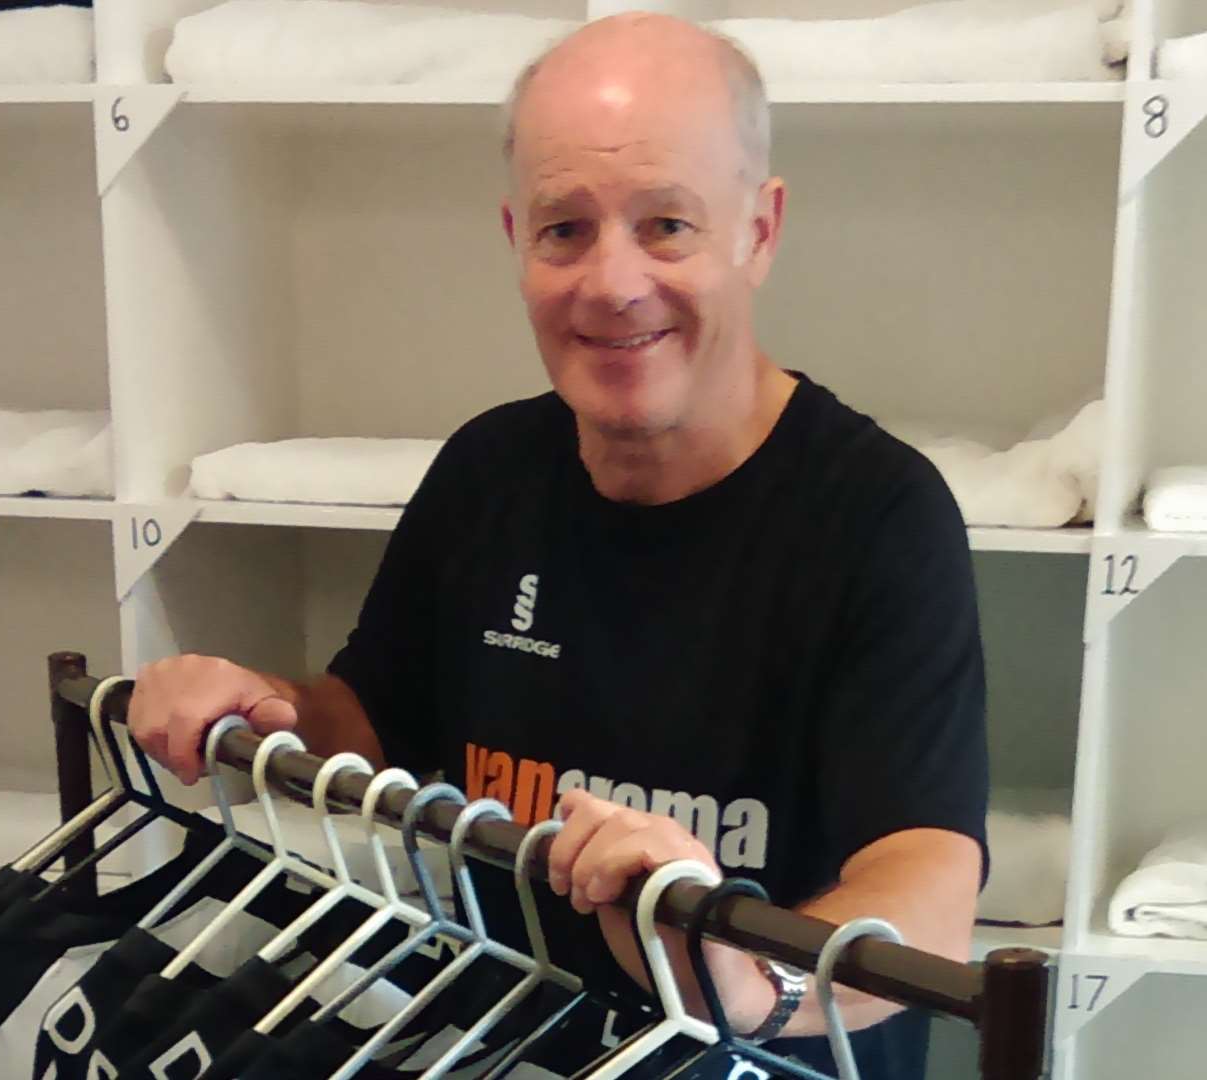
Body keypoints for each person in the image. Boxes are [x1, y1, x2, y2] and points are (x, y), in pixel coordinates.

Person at [129, 12, 988, 1077]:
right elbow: (371, 718)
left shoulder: (878, 518)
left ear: (758, 231)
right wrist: (258, 706)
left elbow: (927, 890)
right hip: (485, 1043)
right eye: (563, 229)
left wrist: (736, 973)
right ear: (515, 243)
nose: (613, 283)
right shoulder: (487, 469)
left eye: (666, 223)